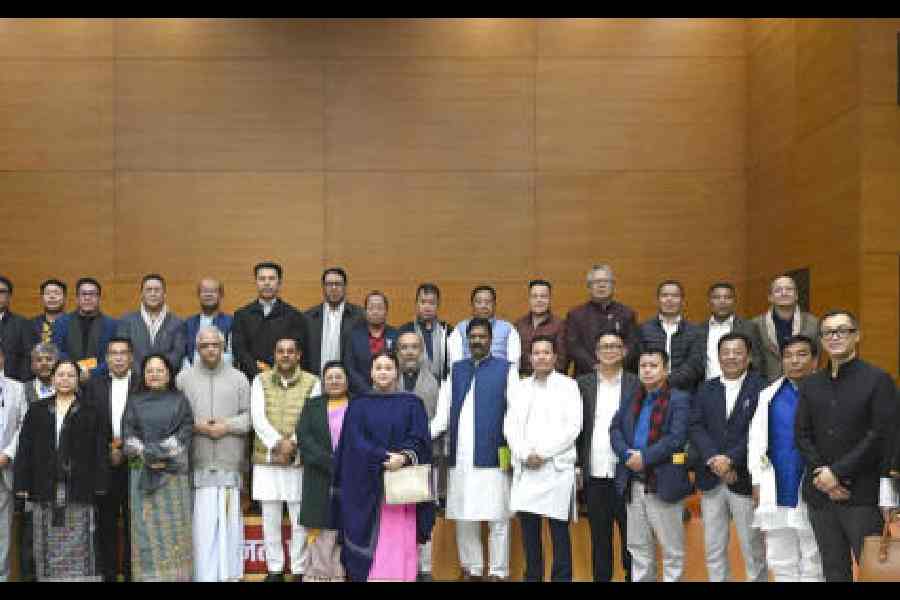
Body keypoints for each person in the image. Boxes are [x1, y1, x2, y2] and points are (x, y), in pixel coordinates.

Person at [794, 310, 897, 581]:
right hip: (820, 496)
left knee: (873, 571)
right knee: (833, 570)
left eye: (842, 330)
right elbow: (802, 435)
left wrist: (837, 473)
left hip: (861, 495)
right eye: (828, 332)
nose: (835, 336)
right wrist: (823, 475)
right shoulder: (811, 384)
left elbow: (880, 436)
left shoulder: (878, 380)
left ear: (857, 336)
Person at [330, 351, 434, 582]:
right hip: (367, 488)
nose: (383, 372)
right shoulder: (358, 405)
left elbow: (420, 439)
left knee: (399, 542)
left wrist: (404, 458)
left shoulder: (412, 403)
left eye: (388, 368)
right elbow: (354, 442)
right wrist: (384, 457)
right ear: (371, 372)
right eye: (378, 368)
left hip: (402, 490)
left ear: (396, 372)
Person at [431, 317, 518, 581]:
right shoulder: (455, 370)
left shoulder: (507, 369)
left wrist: (516, 450)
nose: (477, 340)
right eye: (473, 337)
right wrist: (417, 438)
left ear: (491, 339)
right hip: (461, 457)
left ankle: (498, 571)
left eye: (482, 336)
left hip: (495, 454)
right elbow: (441, 418)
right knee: (464, 514)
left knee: (498, 516)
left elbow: (515, 413)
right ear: (467, 341)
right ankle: (473, 569)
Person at [13, 359, 107, 581]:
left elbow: (100, 451)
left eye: (70, 375)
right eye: (61, 375)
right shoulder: (37, 410)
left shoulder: (92, 412)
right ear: (53, 379)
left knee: (81, 539)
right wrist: (21, 484)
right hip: (44, 488)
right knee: (46, 541)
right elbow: (25, 449)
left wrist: (101, 484)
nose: (65, 379)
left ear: (78, 380)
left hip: (79, 489)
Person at [689, 332, 767, 582]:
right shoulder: (705, 388)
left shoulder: (762, 387)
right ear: (718, 357)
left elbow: (760, 431)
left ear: (748, 356)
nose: (731, 357)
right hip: (711, 477)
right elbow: (696, 426)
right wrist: (714, 459)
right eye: (726, 352)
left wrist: (731, 460)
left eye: (737, 352)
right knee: (713, 547)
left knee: (752, 547)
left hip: (744, 479)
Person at [610, 347, 692, 582]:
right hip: (632, 484)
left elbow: (676, 438)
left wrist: (644, 457)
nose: (647, 370)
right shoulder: (632, 397)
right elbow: (614, 429)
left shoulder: (679, 399)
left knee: (672, 551)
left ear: (665, 369)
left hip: (663, 482)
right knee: (638, 549)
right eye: (643, 366)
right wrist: (627, 455)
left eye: (653, 366)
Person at [505, 335, 581, 582]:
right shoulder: (520, 387)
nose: (541, 357)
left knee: (559, 533)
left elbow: (573, 427)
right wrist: (525, 453)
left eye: (546, 352)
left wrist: (544, 453)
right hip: (527, 468)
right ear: (529, 358)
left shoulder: (569, 386)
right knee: (530, 533)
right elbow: (510, 426)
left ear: (555, 357)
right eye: (536, 353)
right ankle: (533, 578)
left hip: (556, 468)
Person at [176, 326, 250, 582]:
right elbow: (176, 418)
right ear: (197, 349)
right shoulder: (184, 379)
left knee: (229, 527)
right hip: (197, 462)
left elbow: (250, 418)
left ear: (223, 348)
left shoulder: (239, 378)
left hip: (230, 462)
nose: (210, 349)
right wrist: (197, 425)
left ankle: (230, 576)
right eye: (205, 345)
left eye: (215, 345)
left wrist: (226, 426)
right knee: (202, 528)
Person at [748, 334, 823, 582]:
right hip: (776, 481)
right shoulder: (768, 395)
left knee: (814, 552)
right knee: (780, 553)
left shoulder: (826, 392)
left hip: (815, 483)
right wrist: (757, 481)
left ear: (815, 360)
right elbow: (756, 441)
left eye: (802, 355)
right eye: (788, 356)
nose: (794, 361)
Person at [250, 337, 320, 582]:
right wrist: (278, 443)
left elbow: (312, 417)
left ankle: (299, 569)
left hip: (298, 458)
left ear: (299, 354)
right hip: (267, 457)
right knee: (270, 518)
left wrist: (293, 444)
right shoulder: (259, 381)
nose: (286, 355)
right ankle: (275, 569)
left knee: (299, 518)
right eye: (281, 351)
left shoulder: (314, 382)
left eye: (291, 351)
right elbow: (257, 417)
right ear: (275, 354)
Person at [123, 353, 194, 581]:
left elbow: (185, 432)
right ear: (143, 375)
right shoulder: (134, 401)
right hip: (140, 472)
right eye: (149, 370)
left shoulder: (180, 400)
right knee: (144, 531)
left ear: (169, 373)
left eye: (159, 370)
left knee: (174, 531)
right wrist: (147, 454)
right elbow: (128, 436)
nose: (154, 374)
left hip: (173, 476)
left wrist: (158, 453)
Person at [576, 330, 633, 582]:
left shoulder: (635, 382)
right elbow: (576, 428)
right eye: (604, 346)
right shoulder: (581, 384)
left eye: (615, 346)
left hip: (629, 474)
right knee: (599, 539)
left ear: (624, 352)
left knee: (633, 540)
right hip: (595, 472)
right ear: (596, 353)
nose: (610, 350)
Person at [83, 336, 141, 582]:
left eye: (123, 353)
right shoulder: (93, 385)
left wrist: (126, 448)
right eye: (113, 353)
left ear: (131, 357)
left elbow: (147, 422)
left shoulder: (142, 384)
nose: (118, 357)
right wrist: (108, 448)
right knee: (105, 525)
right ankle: (107, 576)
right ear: (106, 358)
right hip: (103, 463)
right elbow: (87, 423)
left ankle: (130, 575)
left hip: (135, 464)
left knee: (133, 526)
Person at [296, 361, 351, 582]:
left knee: (344, 528)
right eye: (330, 377)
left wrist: (346, 463)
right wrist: (330, 462)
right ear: (323, 381)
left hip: (349, 477)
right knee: (319, 527)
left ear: (347, 381)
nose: (335, 381)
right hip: (318, 475)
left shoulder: (357, 406)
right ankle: (318, 574)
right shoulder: (312, 406)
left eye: (339, 377)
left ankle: (338, 574)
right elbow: (305, 438)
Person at [395, 331, 442, 581]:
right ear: (397, 352)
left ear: (422, 351)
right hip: (395, 460)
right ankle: (402, 564)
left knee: (425, 513)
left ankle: (424, 569)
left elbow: (438, 419)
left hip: (426, 456)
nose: (410, 352)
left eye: (414, 347)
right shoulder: (386, 380)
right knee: (398, 514)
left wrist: (418, 442)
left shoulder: (434, 382)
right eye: (404, 347)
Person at [17, 342, 58, 579]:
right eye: (39, 359)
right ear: (32, 365)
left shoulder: (70, 389)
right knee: (30, 532)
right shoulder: (21, 391)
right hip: (32, 474)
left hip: (63, 475)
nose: (44, 363)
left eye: (49, 359)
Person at [232, 261, 311, 382]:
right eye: (262, 279)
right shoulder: (242, 315)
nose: (267, 283)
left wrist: (276, 373)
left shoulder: (294, 315)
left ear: (279, 283)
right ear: (256, 282)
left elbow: (298, 351)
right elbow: (240, 351)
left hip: (285, 380)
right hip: (250, 380)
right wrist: (259, 373)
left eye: (271, 279)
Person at [565, 264, 638, 378]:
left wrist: (615, 366)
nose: (601, 285)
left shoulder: (626, 313)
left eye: (606, 281)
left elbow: (632, 346)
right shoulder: (575, 315)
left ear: (613, 285)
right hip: (586, 377)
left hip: (620, 376)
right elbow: (573, 347)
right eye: (596, 282)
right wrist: (595, 366)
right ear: (589, 287)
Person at [631, 280, 704, 392]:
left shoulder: (695, 332)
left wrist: (664, 383)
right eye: (665, 295)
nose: (669, 299)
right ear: (658, 300)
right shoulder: (643, 329)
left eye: (675, 296)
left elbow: (695, 366)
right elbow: (637, 361)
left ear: (682, 301)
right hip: (649, 392)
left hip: (684, 392)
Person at [751, 275, 819, 382]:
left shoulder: (813, 322)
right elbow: (754, 360)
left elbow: (817, 356)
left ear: (796, 295)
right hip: (767, 386)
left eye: (789, 289)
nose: (784, 293)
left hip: (805, 384)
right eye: (778, 290)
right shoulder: (755, 324)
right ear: (770, 297)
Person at [116, 274, 186, 374]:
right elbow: (123, 353)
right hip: (134, 383)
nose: (153, 293)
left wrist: (158, 373)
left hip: (166, 383)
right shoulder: (126, 321)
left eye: (157, 290)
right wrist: (144, 374)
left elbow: (177, 355)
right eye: (148, 290)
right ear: (141, 294)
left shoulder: (178, 323)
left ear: (164, 294)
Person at [695, 282, 764, 381]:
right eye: (716, 297)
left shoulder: (749, 327)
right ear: (709, 302)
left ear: (734, 301)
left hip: (741, 387)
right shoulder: (698, 330)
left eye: (727, 297)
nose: (722, 301)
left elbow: (757, 361)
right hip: (707, 388)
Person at [52, 277, 118, 380]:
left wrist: (92, 373)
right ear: (77, 298)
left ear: (99, 298)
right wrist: (75, 371)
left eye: (92, 294)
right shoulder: (62, 323)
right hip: (69, 378)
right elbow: (58, 351)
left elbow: (113, 356)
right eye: (83, 294)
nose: (87, 298)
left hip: (101, 380)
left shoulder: (111, 324)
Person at [304, 267, 364, 377]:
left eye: (338, 284)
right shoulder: (309, 317)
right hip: (316, 381)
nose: (333, 288)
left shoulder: (359, 316)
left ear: (345, 287)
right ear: (323, 287)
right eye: (329, 284)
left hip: (348, 383)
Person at [0, 346, 27, 581]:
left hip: (4, 469)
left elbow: (23, 426)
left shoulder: (17, 389)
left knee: (3, 534)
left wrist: (8, 453)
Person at [447, 285, 521, 369]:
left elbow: (514, 363)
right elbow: (454, 362)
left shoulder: (508, 329)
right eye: (479, 302)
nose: (483, 306)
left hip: (500, 376)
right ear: (472, 304)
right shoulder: (460, 329)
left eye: (488, 302)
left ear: (495, 304)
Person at [343, 291, 398, 395]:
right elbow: (349, 368)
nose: (375, 311)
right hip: (360, 395)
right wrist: (368, 391)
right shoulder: (353, 336)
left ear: (386, 311)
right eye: (371, 308)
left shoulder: (396, 335)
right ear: (365, 311)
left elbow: (399, 366)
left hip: (391, 394)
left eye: (379, 308)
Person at [398, 283, 453, 382]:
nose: (427, 307)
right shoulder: (405, 331)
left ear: (438, 305)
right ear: (416, 303)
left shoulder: (448, 331)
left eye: (432, 303)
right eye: (423, 302)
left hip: (444, 389)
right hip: (413, 388)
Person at [513, 280, 568, 377]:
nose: (539, 300)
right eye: (535, 296)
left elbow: (562, 361)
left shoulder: (560, 325)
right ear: (529, 299)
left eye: (543, 296)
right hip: (523, 380)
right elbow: (514, 357)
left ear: (549, 299)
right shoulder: (519, 325)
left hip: (551, 381)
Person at [181, 278, 234, 371]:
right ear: (198, 295)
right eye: (204, 291)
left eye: (213, 291)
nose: (208, 294)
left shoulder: (231, 322)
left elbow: (231, 355)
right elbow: (184, 355)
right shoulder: (188, 323)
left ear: (221, 295)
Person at [0, 275, 35, 381]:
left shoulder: (22, 323)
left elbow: (29, 358)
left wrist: (21, 385)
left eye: (1, 292)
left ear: (9, 296)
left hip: (14, 386)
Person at [30, 279, 67, 346]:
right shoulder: (31, 324)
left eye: (57, 293)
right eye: (47, 293)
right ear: (42, 298)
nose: (52, 296)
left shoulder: (73, 324)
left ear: (64, 298)